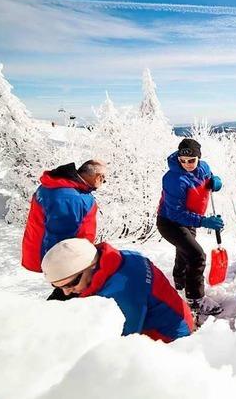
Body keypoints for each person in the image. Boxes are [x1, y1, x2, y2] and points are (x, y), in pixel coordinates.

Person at [42, 238, 194, 342]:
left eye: (70, 284)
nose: (66, 292)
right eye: (57, 286)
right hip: (173, 314)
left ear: (91, 266)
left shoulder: (120, 296)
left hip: (170, 337)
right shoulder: (119, 258)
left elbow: (119, 344)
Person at [156, 138, 224, 324]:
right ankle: (196, 300)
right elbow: (176, 213)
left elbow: (209, 176)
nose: (186, 164)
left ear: (198, 158)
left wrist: (215, 181)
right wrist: (204, 221)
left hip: (189, 220)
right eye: (182, 160)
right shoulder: (173, 179)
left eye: (191, 160)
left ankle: (180, 281)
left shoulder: (203, 167)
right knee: (196, 256)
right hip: (170, 222)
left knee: (185, 251)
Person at [21, 159, 107, 301]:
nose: (102, 184)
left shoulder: (59, 187)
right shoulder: (69, 197)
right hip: (68, 261)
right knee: (69, 292)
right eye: (104, 180)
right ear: (99, 177)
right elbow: (61, 240)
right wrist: (66, 269)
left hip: (55, 256)